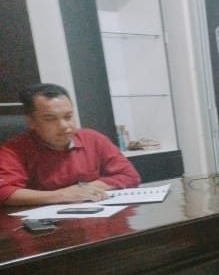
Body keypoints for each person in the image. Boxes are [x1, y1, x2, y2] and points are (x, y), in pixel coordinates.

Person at [0, 83, 140, 206]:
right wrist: (61, 195)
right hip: (45, 224)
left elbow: (129, 175)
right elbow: (4, 191)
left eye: (68, 116)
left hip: (96, 217)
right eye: (50, 119)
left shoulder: (93, 139)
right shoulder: (13, 150)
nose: (64, 126)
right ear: (31, 122)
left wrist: (85, 189)